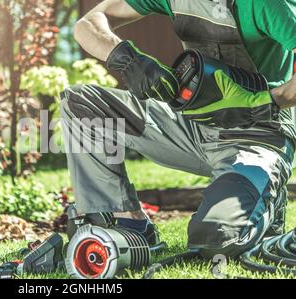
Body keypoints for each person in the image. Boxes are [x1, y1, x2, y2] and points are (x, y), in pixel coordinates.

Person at [60, 0, 296, 258]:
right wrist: (127, 59)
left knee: (215, 237)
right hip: (192, 124)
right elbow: (88, 23)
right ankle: (129, 225)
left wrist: (266, 103)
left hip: (256, 134)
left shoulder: (266, 4)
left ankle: (266, 203)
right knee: (82, 104)